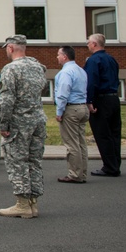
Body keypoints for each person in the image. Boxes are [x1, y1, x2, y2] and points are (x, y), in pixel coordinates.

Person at [0, 35, 48, 219]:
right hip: (37, 119)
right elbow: (42, 88)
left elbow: (6, 100)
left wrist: (3, 124)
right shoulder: (37, 66)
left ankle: (22, 204)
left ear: (10, 48)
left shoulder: (11, 69)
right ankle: (33, 202)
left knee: (17, 161)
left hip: (19, 122)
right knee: (34, 160)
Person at [85, 33, 122, 177]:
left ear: (94, 44)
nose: (87, 44)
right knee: (114, 133)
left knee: (103, 134)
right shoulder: (111, 59)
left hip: (101, 100)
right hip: (114, 98)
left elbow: (91, 82)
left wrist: (89, 101)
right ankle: (115, 164)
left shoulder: (94, 61)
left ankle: (109, 167)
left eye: (88, 42)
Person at [55, 45, 89, 183]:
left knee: (72, 144)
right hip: (83, 107)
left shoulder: (65, 73)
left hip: (71, 109)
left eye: (58, 54)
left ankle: (74, 174)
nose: (57, 57)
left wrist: (59, 111)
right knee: (81, 143)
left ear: (64, 56)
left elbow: (63, 93)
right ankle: (82, 173)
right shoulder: (81, 70)